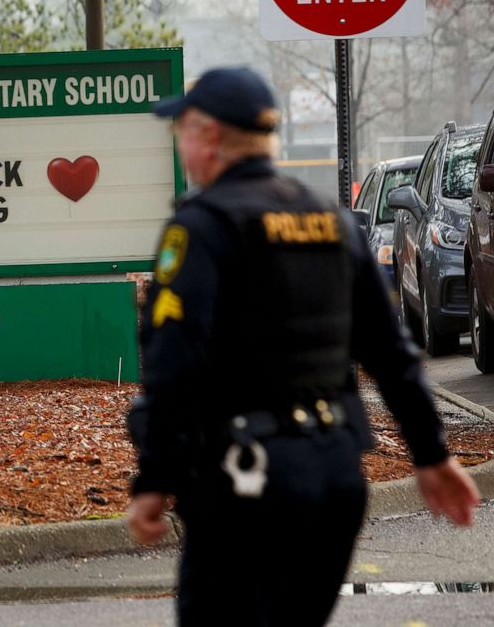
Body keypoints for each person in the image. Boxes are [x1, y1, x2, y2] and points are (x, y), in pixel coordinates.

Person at [126, 66, 480, 627]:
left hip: (244, 480)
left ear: (210, 136)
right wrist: (431, 455)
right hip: (334, 477)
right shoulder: (332, 223)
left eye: (183, 130)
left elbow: (175, 367)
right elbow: (392, 353)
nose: (180, 143)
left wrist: (153, 481)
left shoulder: (202, 228)